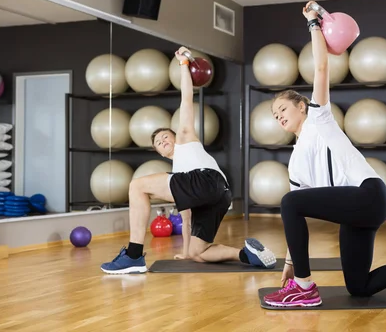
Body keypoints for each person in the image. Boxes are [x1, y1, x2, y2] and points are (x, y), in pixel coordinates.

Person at [263, 1, 386, 307]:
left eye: (282, 109)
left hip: (368, 194)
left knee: (289, 201)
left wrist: (313, 23)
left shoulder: (319, 119)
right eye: (274, 115)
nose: (278, 117)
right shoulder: (295, 165)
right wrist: (289, 263)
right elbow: (294, 217)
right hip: (354, 214)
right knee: (359, 286)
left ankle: (304, 287)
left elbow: (322, 66)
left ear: (301, 105)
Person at [101, 46, 277, 274]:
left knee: (136, 186)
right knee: (198, 253)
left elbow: (186, 99)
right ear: (160, 154)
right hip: (220, 194)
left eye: (166, 136)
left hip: (206, 180)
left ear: (176, 136)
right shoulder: (180, 178)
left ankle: (134, 255)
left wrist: (183, 65)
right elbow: (187, 216)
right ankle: (247, 254)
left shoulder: (186, 140)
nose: (163, 140)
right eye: (158, 142)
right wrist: (185, 251)